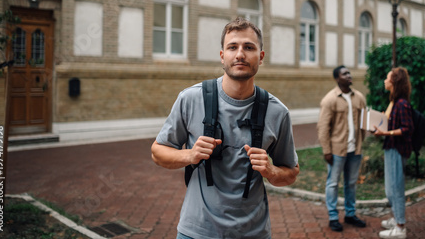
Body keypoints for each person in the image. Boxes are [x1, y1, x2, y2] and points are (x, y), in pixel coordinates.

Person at [151, 17, 300, 239]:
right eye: (232, 47)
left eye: (249, 47)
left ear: (261, 57)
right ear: (222, 56)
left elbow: (291, 173)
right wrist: (190, 155)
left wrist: (270, 171)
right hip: (196, 232)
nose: (240, 54)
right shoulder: (191, 98)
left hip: (253, 233)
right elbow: (157, 152)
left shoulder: (277, 112)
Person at [317, 65, 367, 232]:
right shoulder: (329, 99)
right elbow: (323, 127)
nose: (349, 75)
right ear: (337, 78)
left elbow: (364, 123)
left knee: (351, 183)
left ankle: (350, 214)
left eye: (349, 73)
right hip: (337, 151)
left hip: (355, 150)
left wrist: (361, 141)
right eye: (345, 74)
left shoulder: (359, 97)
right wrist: (327, 150)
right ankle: (333, 217)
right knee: (333, 183)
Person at [372, 67, 414, 239]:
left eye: (387, 78)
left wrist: (386, 133)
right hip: (390, 149)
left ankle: (400, 227)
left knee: (396, 190)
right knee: (390, 190)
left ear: (394, 82)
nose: (384, 80)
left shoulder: (402, 104)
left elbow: (407, 128)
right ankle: (397, 218)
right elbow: (392, 123)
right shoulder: (394, 102)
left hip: (397, 150)